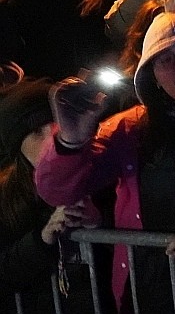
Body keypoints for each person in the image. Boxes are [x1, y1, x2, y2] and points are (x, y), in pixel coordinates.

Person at [35, 13, 175, 313]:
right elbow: (59, 191)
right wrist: (70, 142)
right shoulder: (130, 129)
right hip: (151, 288)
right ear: (151, 73)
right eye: (165, 60)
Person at [0, 80, 100, 313]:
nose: (49, 140)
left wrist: (98, 223)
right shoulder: (6, 197)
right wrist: (42, 238)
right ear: (18, 147)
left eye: (55, 125)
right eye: (36, 133)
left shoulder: (98, 176)